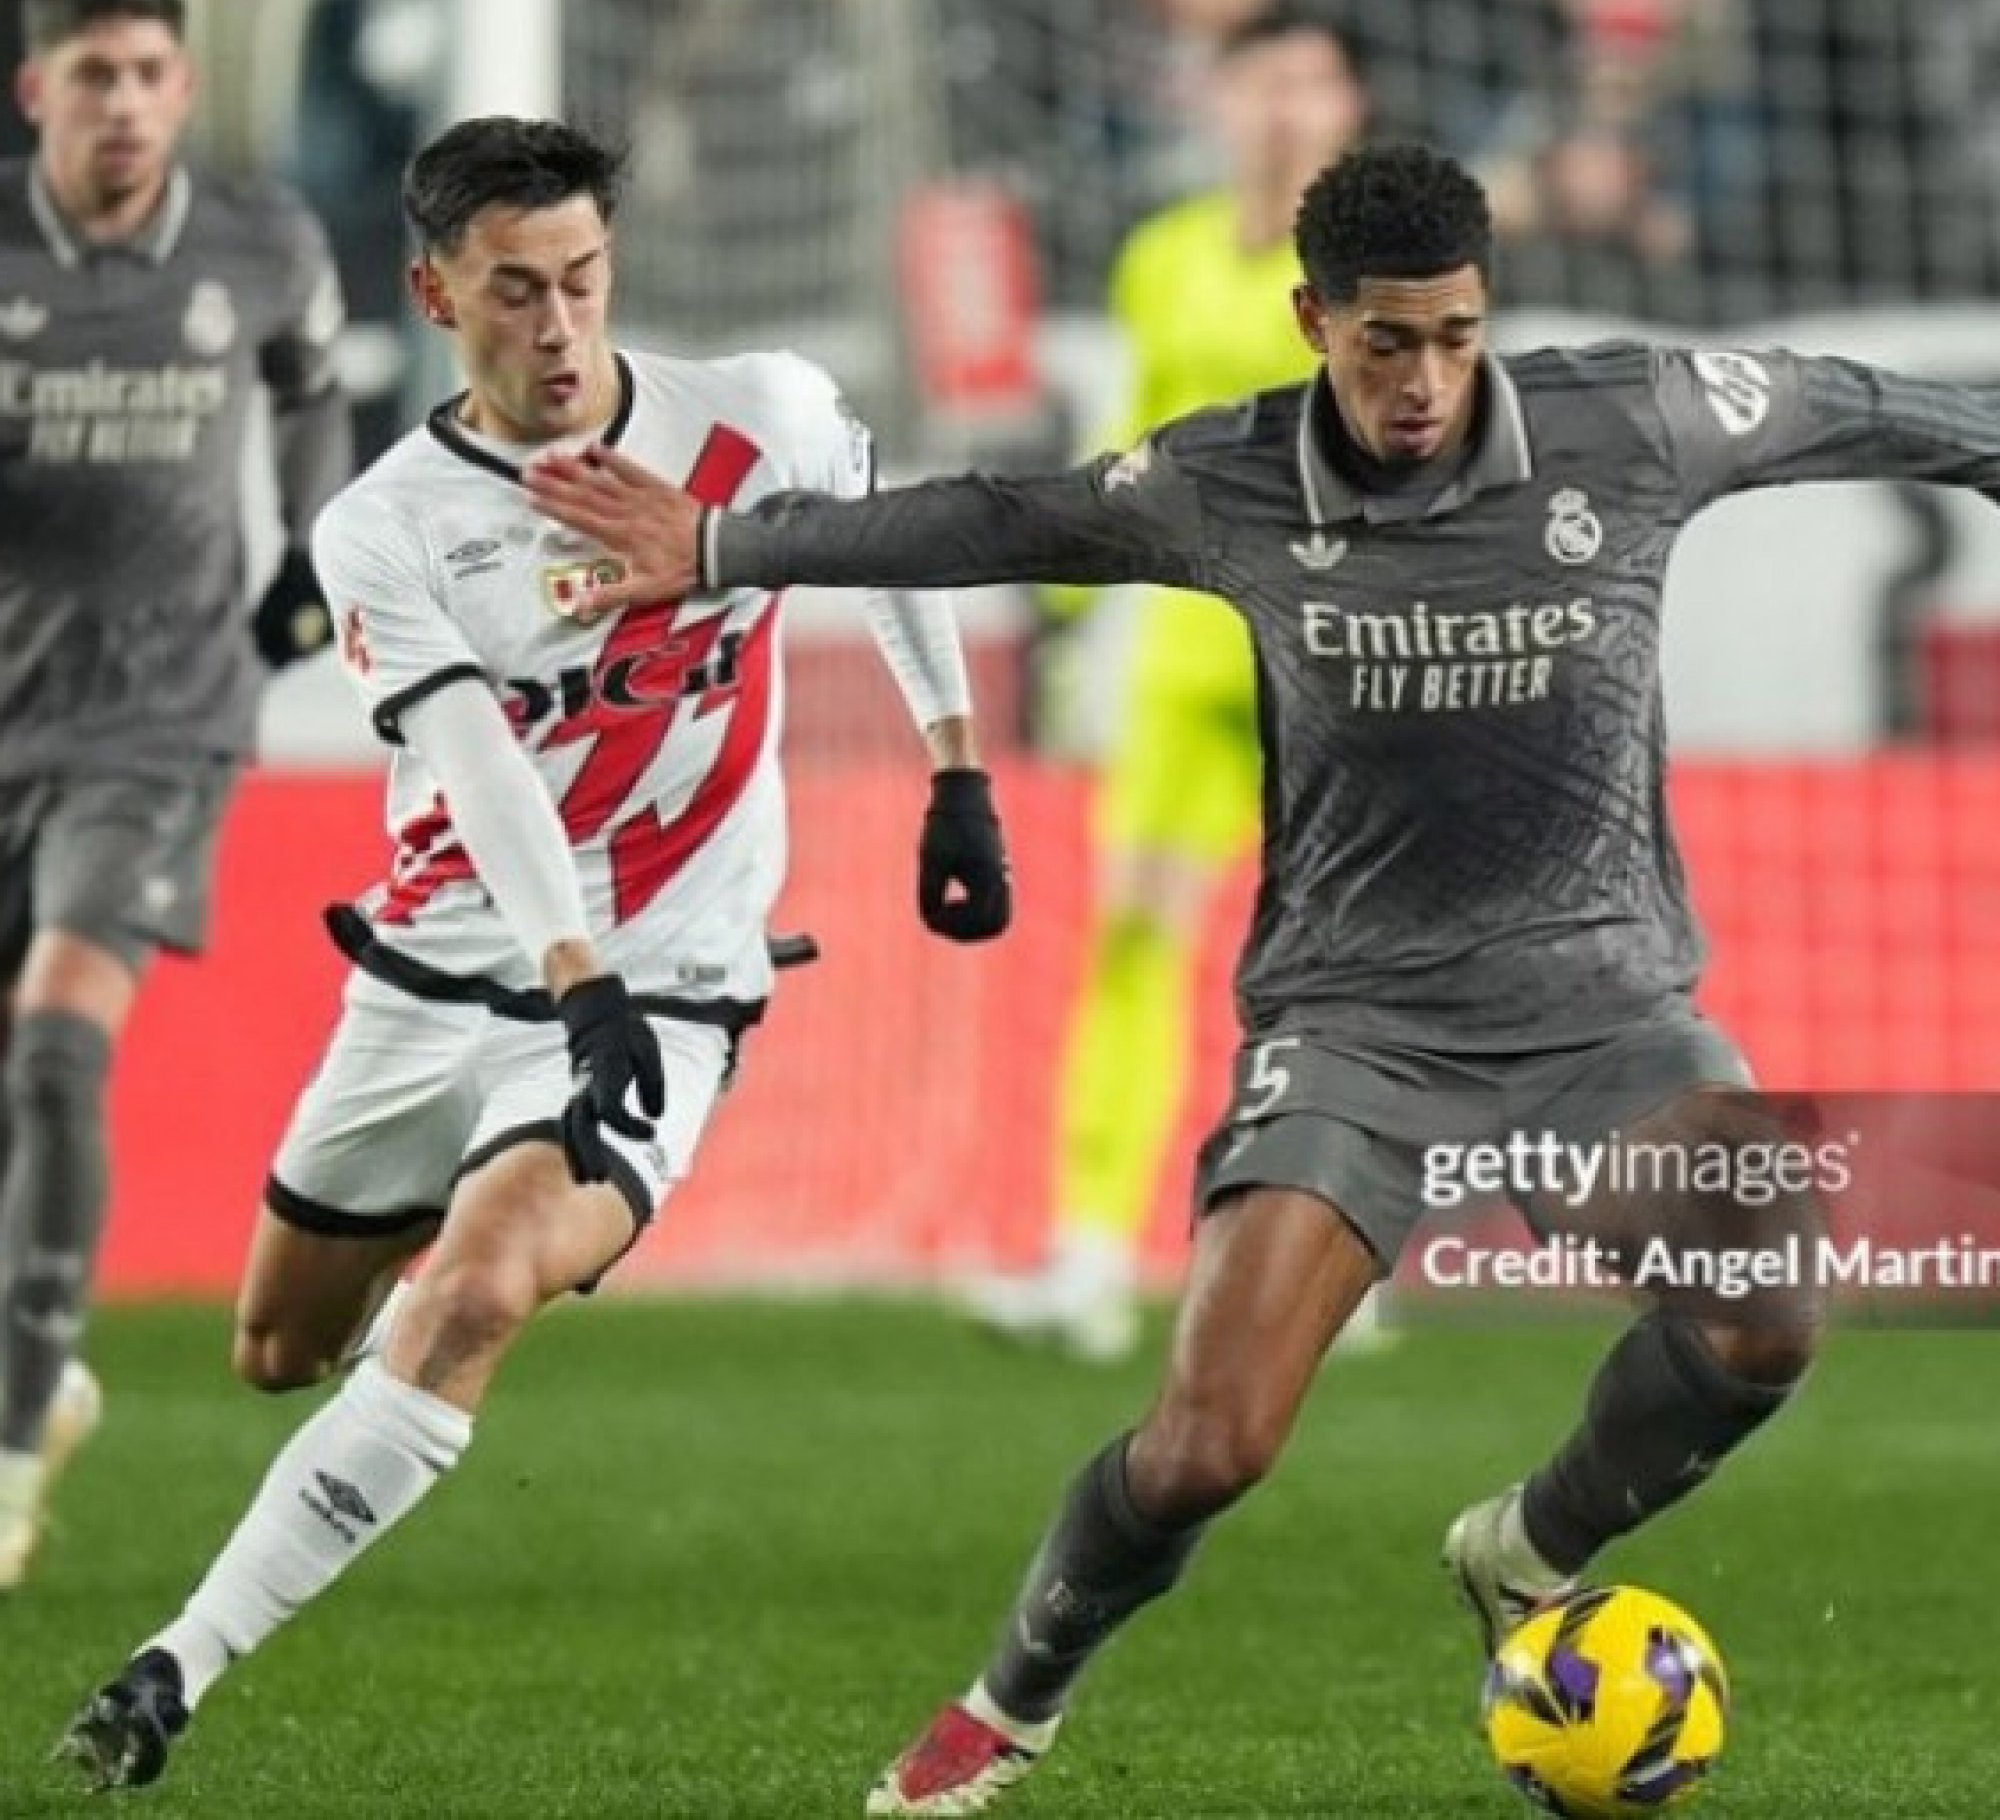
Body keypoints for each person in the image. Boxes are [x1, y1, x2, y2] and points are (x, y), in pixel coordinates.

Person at [515, 138, 2000, 1816]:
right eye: (1385, 341)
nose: (1425, 380)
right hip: (1353, 1026)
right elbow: (1001, 517)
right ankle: (1009, 1703)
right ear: (1313, 320)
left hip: (1604, 1013)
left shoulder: (1636, 419)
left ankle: (1526, 1551)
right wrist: (722, 547)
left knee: (1768, 1305)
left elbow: (1858, 401)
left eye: (1453, 335)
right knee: (1207, 1445)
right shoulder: (1224, 480)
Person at [55, 113, 1012, 1792]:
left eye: (583, 281)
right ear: (434, 291)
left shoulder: (758, 418)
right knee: (278, 1352)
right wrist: (562, 965)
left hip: (669, 985)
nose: (561, 328)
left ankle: (171, 1669)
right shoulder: (390, 526)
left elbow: (885, 533)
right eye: (516, 292)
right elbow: (487, 772)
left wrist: (956, 767)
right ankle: (436, 1281)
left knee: (475, 1293)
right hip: (440, 973)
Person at [0, 0, 351, 1591]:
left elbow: (308, 397)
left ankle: (6, 1447)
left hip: (161, 720)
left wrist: (308, 553)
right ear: (37, 97)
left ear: (184, 90)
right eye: (94, 76)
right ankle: (46, 1374)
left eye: (149, 72)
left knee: (63, 1038)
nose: (125, 102)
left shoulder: (260, 241)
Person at [974, 6, 1381, 1362]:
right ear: (1220, 99)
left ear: (1347, 107)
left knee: (1338, 968)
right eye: (1261, 78)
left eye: (1310, 80)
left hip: (1340, 669)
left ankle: (1344, 1244)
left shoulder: (1386, 272)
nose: (1284, 106)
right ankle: (1090, 1250)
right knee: (1136, 938)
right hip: (1191, 662)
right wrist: (1072, 616)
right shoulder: (1167, 259)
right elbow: (1128, 444)